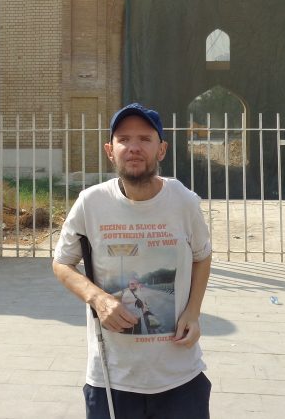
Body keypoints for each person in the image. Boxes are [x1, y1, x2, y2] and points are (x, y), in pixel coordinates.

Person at [53, 103, 213, 419]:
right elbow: (62, 263)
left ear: (162, 149)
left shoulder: (183, 201)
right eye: (124, 139)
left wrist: (193, 313)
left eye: (145, 139)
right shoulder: (91, 202)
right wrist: (97, 298)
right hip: (111, 379)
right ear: (110, 150)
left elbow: (202, 256)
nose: (134, 147)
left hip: (179, 376)